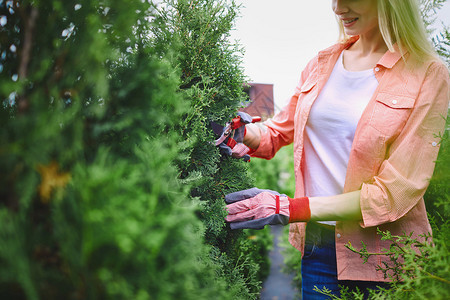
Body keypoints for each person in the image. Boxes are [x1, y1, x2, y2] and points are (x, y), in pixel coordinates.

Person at [219, 0, 450, 298]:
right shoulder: (322, 63)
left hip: (385, 259)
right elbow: (278, 132)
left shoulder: (427, 73)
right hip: (317, 250)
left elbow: (396, 191)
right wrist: (241, 131)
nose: (338, 8)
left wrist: (291, 208)